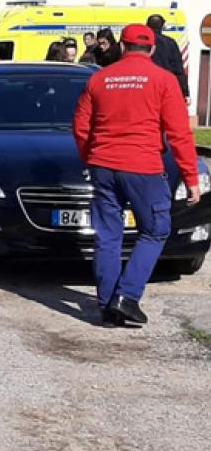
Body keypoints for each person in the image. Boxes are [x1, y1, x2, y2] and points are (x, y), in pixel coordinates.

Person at [73, 24, 199, 327]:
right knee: (155, 230)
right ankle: (126, 297)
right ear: (153, 49)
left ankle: (107, 307)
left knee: (108, 236)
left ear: (123, 46)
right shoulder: (164, 80)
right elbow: (180, 133)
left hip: (103, 166)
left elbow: (80, 127)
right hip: (144, 168)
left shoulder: (99, 79)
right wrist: (191, 178)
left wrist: (91, 159)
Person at [146, 14, 190, 103]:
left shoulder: (141, 41)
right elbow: (178, 70)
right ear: (162, 26)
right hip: (164, 87)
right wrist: (185, 93)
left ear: (147, 25)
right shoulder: (170, 43)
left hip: (144, 85)